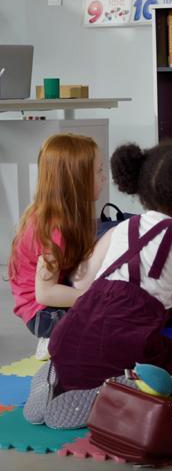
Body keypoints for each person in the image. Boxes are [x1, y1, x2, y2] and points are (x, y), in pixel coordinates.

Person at [48, 142, 172, 393]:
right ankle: (126, 386)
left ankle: (71, 382)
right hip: (124, 344)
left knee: (112, 348)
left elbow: (89, 284)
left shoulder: (124, 227)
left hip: (66, 341)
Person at [8, 133, 106, 360]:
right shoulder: (55, 228)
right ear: (77, 180)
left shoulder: (61, 215)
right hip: (43, 315)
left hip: (50, 300)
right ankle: (53, 339)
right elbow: (45, 293)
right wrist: (94, 297)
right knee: (111, 322)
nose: (104, 177)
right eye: (99, 171)